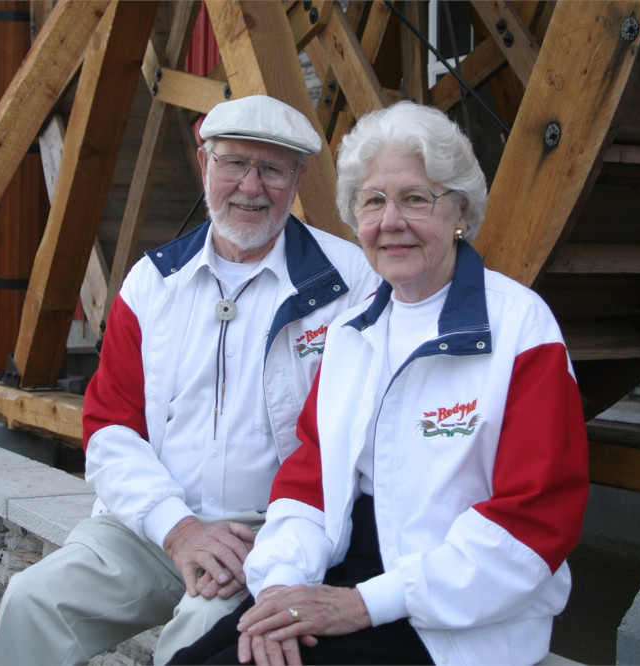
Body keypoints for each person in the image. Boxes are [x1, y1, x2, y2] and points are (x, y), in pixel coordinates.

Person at [169, 101, 590, 666]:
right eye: (372, 202)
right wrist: (279, 588)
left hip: (455, 614)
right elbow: (307, 487)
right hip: (347, 578)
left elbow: (534, 522)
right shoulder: (350, 331)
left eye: (416, 199)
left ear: (459, 211)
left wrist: (360, 604)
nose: (390, 222)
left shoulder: (519, 327)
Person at [0, 94, 379, 666]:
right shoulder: (152, 283)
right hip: (152, 526)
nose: (251, 186)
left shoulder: (351, 284)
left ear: (297, 179)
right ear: (204, 164)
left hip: (269, 531)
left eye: (271, 169)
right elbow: (108, 430)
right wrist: (179, 529)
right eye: (234, 163)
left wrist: (279, 542)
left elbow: (349, 439)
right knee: (31, 601)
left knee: (195, 636)